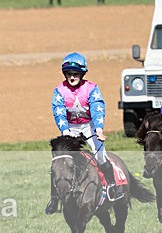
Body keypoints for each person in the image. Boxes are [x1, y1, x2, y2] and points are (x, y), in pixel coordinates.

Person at [46, 52, 123, 214]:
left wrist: (99, 129)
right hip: (71, 127)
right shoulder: (59, 91)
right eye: (68, 74)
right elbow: (59, 112)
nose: (72, 77)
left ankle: (113, 187)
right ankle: (54, 200)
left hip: (89, 125)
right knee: (60, 162)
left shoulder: (92, 89)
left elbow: (97, 108)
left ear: (82, 74)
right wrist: (65, 133)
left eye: (75, 74)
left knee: (101, 156)